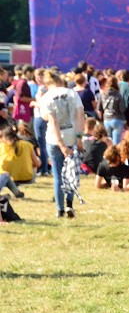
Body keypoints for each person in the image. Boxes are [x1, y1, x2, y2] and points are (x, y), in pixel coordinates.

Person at [35, 70, 85, 219]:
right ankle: (69, 204)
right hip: (72, 137)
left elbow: (52, 121)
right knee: (71, 174)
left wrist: (61, 144)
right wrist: (79, 137)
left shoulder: (46, 97)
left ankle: (59, 208)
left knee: (58, 175)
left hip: (54, 139)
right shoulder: (72, 93)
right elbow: (80, 115)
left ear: (46, 84)